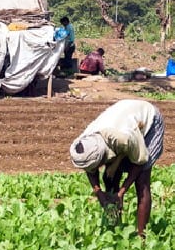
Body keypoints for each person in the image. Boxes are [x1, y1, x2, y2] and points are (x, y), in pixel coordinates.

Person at [69, 99, 164, 237]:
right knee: (110, 179)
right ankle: (115, 227)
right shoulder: (84, 142)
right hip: (122, 117)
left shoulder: (123, 138)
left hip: (149, 122)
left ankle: (142, 236)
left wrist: (122, 191)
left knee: (142, 182)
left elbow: (139, 162)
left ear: (102, 156)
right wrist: (98, 192)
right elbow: (90, 170)